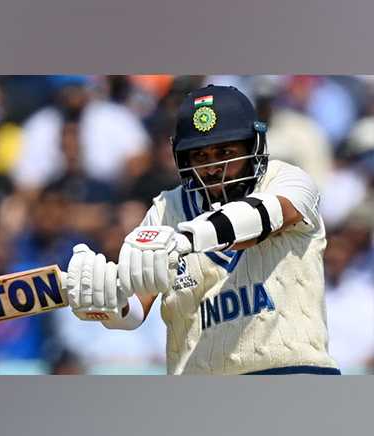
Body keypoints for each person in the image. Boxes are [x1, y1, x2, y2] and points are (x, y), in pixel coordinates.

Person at [64, 85, 340, 375]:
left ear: (253, 147)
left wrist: (184, 240)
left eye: (225, 152)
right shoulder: (165, 209)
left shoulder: (287, 179)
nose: (213, 167)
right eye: (200, 156)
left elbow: (263, 216)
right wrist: (109, 299)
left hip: (293, 374)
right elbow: (133, 311)